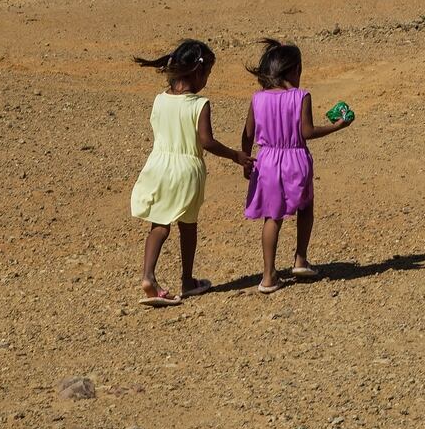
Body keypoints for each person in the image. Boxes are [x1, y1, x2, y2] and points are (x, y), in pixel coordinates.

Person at [129, 39, 251, 307]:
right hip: (186, 171)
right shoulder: (199, 104)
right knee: (188, 225)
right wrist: (235, 155)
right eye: (207, 73)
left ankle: (148, 275)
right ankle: (187, 280)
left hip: (158, 166)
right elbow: (206, 141)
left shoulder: (159, 100)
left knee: (159, 225)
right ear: (197, 72)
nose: (207, 79)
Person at [241, 38, 355, 293]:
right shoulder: (301, 96)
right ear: (294, 70)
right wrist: (337, 126)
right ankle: (300, 259)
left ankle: (268, 276)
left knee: (273, 216)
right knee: (305, 206)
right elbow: (307, 132)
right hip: (295, 160)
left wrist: (246, 158)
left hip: (266, 161)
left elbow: (247, 134)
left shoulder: (257, 99)